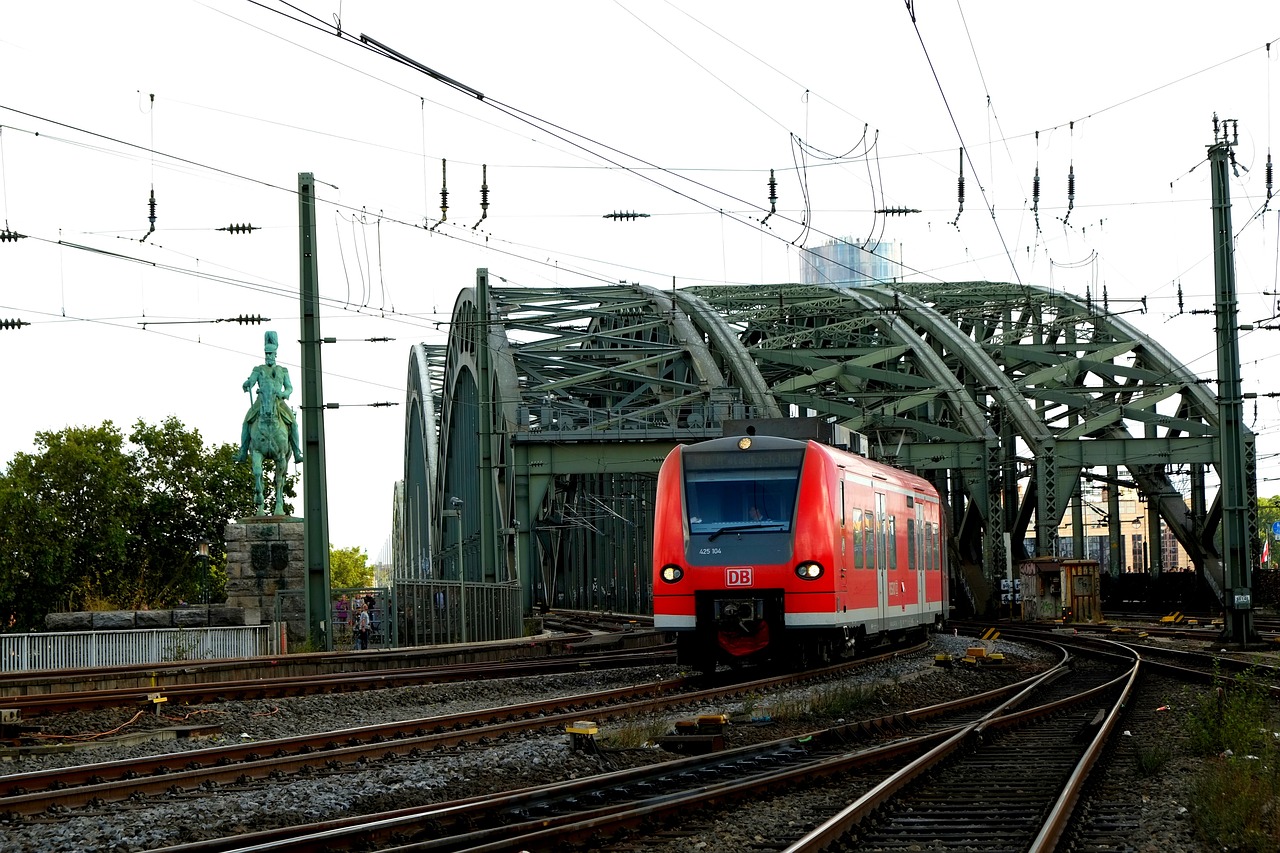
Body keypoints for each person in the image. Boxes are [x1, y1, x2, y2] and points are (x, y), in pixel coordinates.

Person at [233, 331, 304, 464]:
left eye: (271, 354)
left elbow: (289, 387)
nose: (268, 356)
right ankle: (242, 452)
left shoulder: (283, 370)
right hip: (261, 402)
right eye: (266, 354)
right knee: (246, 422)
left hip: (278, 402)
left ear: (275, 354)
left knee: (293, 423)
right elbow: (252, 381)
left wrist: (284, 393)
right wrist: (247, 383)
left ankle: (297, 452)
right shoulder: (258, 369)